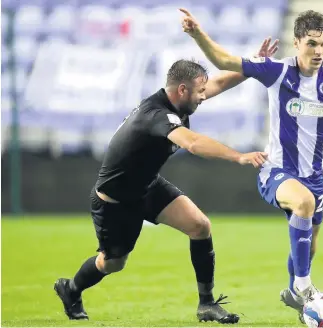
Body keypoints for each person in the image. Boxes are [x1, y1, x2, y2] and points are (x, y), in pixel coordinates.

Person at [180, 8, 323, 323]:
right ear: (297, 41)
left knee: (309, 243)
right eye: (312, 43)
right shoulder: (277, 71)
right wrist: (197, 34)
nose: (318, 51)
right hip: (276, 171)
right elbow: (224, 62)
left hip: (314, 175)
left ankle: (293, 294)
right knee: (303, 203)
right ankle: (303, 286)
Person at [54, 37, 279, 324]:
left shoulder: (179, 100)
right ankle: (71, 290)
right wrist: (238, 156)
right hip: (116, 202)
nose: (203, 96)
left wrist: (251, 65)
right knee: (112, 263)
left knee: (200, 226)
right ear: (182, 89)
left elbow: (219, 83)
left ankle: (207, 304)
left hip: (146, 186)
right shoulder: (157, 115)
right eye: (199, 91)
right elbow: (194, 143)